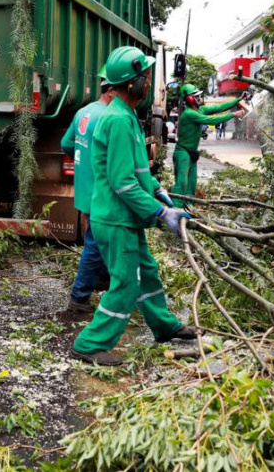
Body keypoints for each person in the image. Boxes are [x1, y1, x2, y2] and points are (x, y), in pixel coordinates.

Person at [71, 46, 196, 367]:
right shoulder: (118, 121)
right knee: (125, 283)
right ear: (132, 84)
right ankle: (90, 343)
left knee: (148, 273)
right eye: (146, 77)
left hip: (123, 218)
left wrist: (157, 189)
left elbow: (137, 169)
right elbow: (122, 182)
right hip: (116, 219)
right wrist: (160, 212)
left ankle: (165, 326)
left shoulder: (125, 116)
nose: (149, 82)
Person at [60, 73, 114, 315]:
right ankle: (79, 298)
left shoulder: (84, 111)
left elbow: (66, 143)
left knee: (97, 239)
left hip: (84, 187)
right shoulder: (112, 117)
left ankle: (102, 280)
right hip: (100, 190)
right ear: (112, 90)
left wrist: (82, 166)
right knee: (95, 242)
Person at [171, 85, 246, 201]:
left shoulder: (200, 110)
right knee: (181, 184)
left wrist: (238, 100)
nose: (200, 97)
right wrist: (233, 114)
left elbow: (218, 108)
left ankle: (188, 209)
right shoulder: (189, 114)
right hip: (183, 153)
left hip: (191, 152)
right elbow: (212, 120)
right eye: (196, 96)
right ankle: (175, 210)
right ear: (189, 99)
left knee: (191, 184)